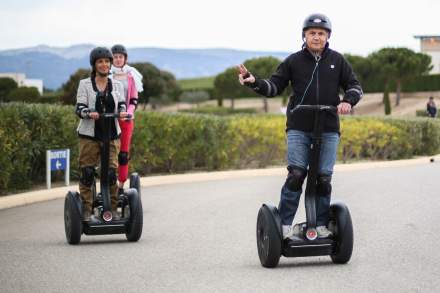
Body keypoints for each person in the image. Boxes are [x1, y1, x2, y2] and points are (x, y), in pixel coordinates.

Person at [238, 13, 363, 239]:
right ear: (304, 36)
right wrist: (254, 82)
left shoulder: (338, 60)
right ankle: (284, 227)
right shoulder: (293, 61)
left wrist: (347, 101)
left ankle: (322, 225)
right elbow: (274, 86)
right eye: (312, 33)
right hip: (299, 126)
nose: (316, 37)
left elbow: (355, 86)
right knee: (296, 174)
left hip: (328, 127)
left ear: (328, 37)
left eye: (321, 33)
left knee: (323, 178)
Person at [75, 47, 128, 221]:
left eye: (107, 61)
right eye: (100, 61)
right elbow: (79, 107)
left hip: (112, 134)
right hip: (90, 135)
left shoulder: (117, 85)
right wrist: (88, 113)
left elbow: (121, 104)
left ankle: (111, 210)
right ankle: (86, 210)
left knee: (111, 174)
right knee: (87, 172)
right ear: (94, 65)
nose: (104, 65)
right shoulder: (85, 84)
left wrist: (121, 112)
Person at [110, 44, 144, 194]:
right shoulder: (106, 75)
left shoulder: (131, 75)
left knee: (123, 154)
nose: (117, 60)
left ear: (125, 59)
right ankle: (108, 183)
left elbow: (134, 101)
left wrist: (128, 113)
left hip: (126, 119)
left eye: (120, 57)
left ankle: (121, 184)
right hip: (110, 118)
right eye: (115, 57)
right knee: (108, 153)